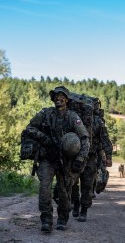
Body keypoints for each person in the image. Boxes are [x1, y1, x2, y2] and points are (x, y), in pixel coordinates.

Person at [21, 86, 90, 233]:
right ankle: (46, 220)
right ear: (53, 98)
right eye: (56, 96)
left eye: (62, 96)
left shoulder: (72, 117)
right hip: (47, 157)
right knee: (44, 188)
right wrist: (45, 139)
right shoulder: (45, 114)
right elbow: (29, 128)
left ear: (66, 99)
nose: (59, 98)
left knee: (64, 192)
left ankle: (62, 219)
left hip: (66, 161)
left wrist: (80, 158)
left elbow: (84, 138)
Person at [71, 110, 113, 222]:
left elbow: (104, 140)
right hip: (83, 156)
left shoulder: (75, 117)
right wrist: (108, 156)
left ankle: (81, 208)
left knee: (82, 184)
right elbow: (106, 140)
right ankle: (79, 207)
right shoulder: (75, 118)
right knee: (81, 184)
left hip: (87, 156)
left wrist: (107, 156)